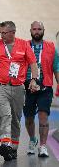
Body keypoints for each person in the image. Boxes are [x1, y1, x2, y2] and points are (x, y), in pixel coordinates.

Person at [0, 21, 39, 161]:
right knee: (5, 115)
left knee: (16, 119)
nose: (1, 35)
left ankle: (13, 148)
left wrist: (34, 79)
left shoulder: (24, 45)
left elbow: (33, 63)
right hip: (0, 87)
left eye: (4, 33)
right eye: (0, 33)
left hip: (19, 88)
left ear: (13, 32)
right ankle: (5, 144)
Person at [23, 21, 59, 157]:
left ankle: (43, 146)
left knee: (43, 117)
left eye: (39, 29)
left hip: (45, 87)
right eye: (34, 29)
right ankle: (33, 140)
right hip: (27, 88)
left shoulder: (50, 47)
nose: (37, 31)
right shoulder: (24, 46)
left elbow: (56, 68)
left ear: (43, 30)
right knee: (29, 118)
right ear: (30, 30)